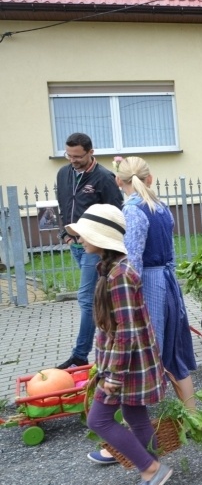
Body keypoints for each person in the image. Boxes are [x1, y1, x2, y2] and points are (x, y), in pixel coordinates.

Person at [87, 156, 199, 465]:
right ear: (150, 179)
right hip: (165, 280)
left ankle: (127, 440)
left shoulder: (133, 212)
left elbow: (132, 258)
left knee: (144, 361)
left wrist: (127, 295)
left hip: (146, 286)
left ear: (120, 184)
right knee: (172, 355)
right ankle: (192, 420)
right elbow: (171, 254)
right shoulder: (161, 208)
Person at [68, 204, 172, 485]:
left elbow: (125, 331)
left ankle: (151, 468)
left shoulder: (120, 275)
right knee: (133, 414)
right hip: (127, 361)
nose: (80, 239)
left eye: (84, 234)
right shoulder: (111, 268)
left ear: (101, 238)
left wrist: (113, 375)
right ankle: (153, 465)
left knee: (98, 420)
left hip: (126, 364)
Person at [56, 132, 124, 369]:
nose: (72, 160)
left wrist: (106, 245)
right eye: (69, 155)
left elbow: (117, 213)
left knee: (86, 299)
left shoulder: (104, 177)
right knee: (100, 297)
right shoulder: (64, 173)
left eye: (78, 156)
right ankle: (116, 337)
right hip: (75, 244)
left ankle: (80, 355)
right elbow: (63, 204)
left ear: (90, 152)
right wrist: (64, 234)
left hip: (95, 248)